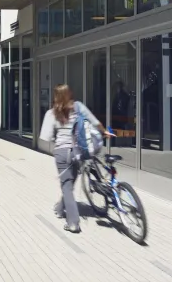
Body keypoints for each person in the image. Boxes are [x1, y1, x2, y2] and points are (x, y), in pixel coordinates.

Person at [39, 84, 109, 233]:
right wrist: (104, 132)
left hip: (62, 152)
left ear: (56, 97)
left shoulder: (51, 113)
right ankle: (59, 209)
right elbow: (96, 123)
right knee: (69, 184)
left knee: (66, 186)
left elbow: (45, 138)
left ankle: (73, 223)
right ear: (70, 94)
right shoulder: (79, 107)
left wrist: (56, 143)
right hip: (78, 152)